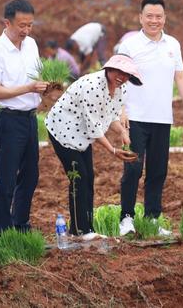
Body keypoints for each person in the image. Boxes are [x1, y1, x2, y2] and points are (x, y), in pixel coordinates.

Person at [118, 0, 183, 236]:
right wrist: (121, 110)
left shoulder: (172, 44)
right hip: (135, 118)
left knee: (158, 171)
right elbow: (117, 78)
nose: (154, 20)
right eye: (149, 16)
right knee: (133, 169)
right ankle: (127, 219)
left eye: (159, 16)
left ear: (165, 18)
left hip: (162, 118)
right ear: (140, 17)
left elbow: (181, 77)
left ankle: (152, 218)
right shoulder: (130, 45)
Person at [46, 54, 142, 238]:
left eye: (127, 74)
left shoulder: (120, 89)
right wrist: (113, 150)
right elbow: (93, 126)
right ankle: (81, 230)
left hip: (81, 134)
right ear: (109, 69)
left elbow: (111, 116)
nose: (122, 77)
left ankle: (85, 229)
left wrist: (122, 132)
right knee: (78, 178)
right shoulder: (92, 86)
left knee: (88, 177)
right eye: (118, 71)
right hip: (63, 131)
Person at [0, 0, 48, 235]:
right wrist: (28, 88)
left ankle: (20, 224)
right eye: (22, 25)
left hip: (29, 117)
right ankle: (2, 231)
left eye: (30, 25)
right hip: (8, 119)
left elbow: (35, 78)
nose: (26, 30)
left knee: (31, 174)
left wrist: (45, 86)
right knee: (7, 177)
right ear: (7, 22)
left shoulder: (31, 45)